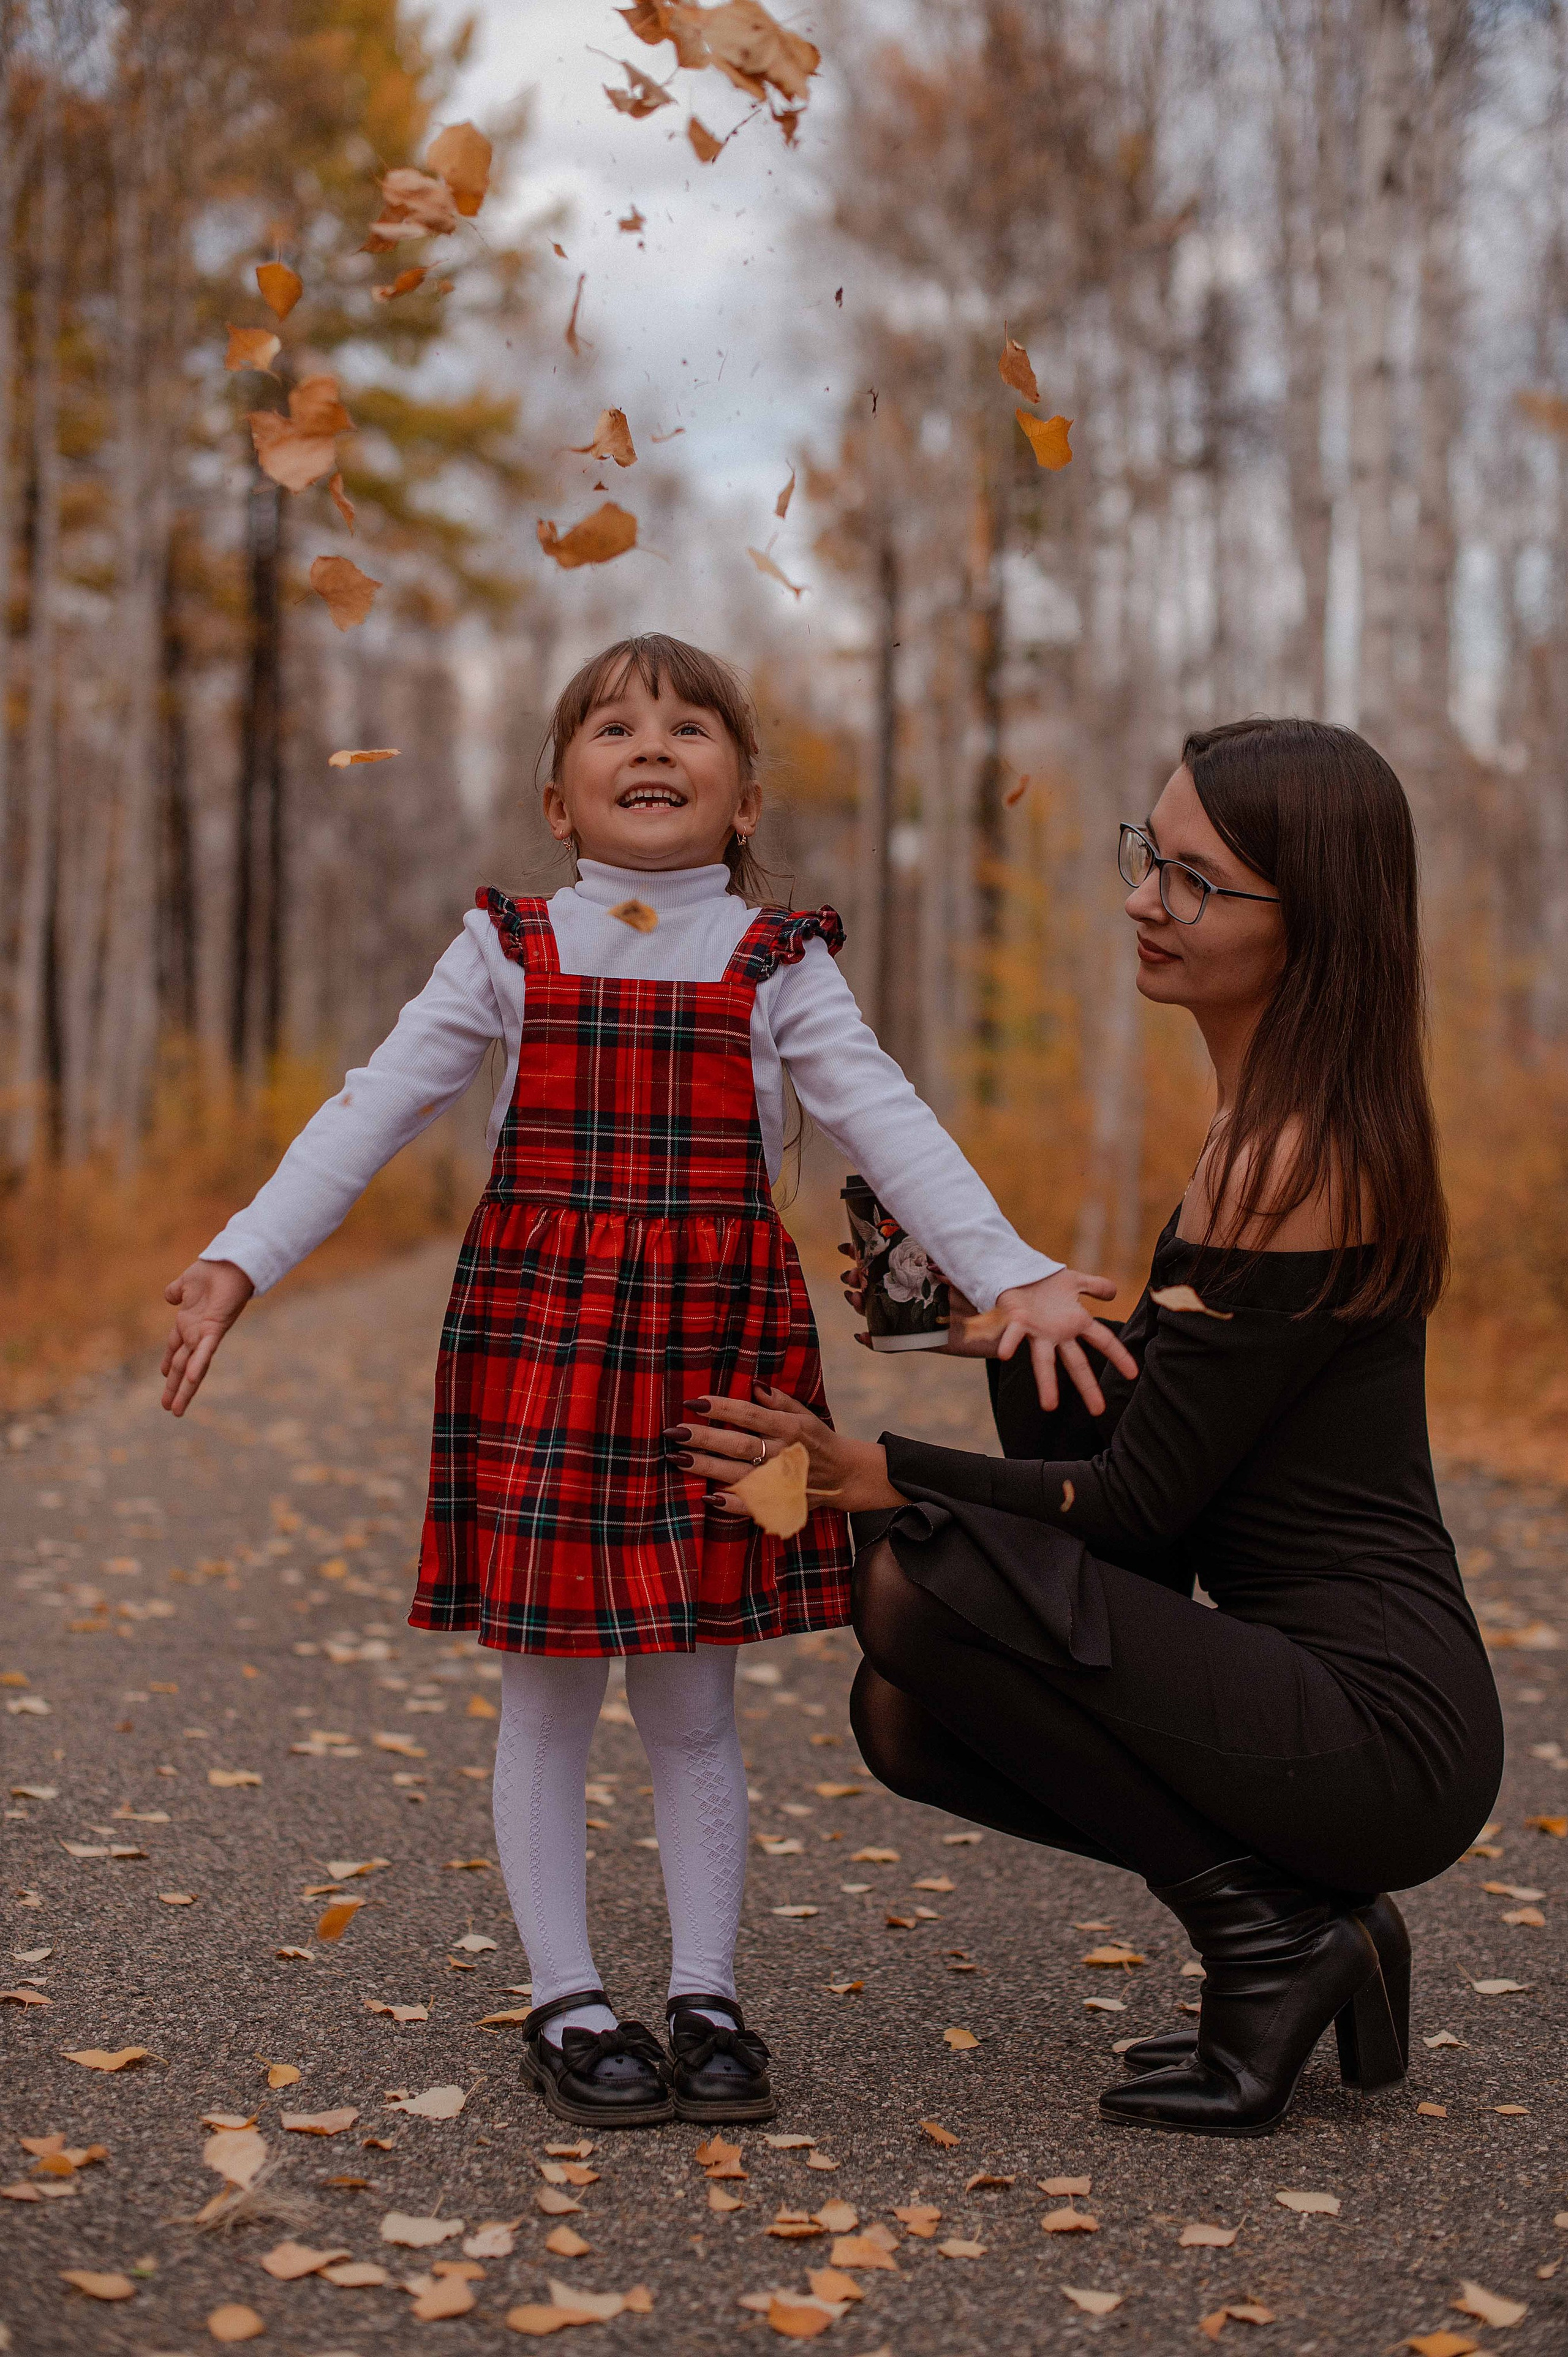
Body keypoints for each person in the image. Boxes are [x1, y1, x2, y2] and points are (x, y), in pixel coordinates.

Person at [159, 632, 1134, 2130]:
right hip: (539, 1346)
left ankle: (704, 1990)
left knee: (691, 1697)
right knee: (547, 1695)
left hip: (721, 1361)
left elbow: (887, 1122)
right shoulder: (504, 944)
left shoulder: (777, 958)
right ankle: (567, 1995)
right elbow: (371, 1109)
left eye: (689, 724)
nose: (651, 743)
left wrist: (1004, 1271)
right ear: (559, 798)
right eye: (612, 726)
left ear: (743, 797)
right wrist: (240, 1259)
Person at [679, 717, 1504, 2140]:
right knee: (907, 1712)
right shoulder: (1272, 1119)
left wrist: (867, 1473)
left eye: (1189, 878)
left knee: (917, 1574)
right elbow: (1186, 1464)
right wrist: (991, 1324)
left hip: (1378, 1722)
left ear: (1307, 916)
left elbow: (1129, 1513)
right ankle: (1302, 1925)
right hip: (1318, 1694)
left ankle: (1268, 1939)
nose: (1141, 898)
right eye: (1147, 855)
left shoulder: (1289, 1154)